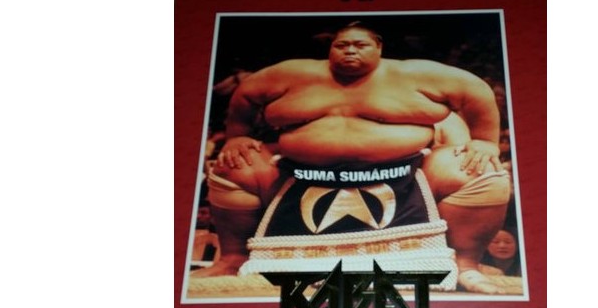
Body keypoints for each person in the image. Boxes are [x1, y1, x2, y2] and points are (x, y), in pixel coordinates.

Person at [193, 22, 511, 293]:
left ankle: (466, 264)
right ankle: (232, 259)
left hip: (406, 173)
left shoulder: (417, 74)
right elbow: (246, 95)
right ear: (330, 48)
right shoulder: (290, 74)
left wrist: (485, 142)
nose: (349, 51)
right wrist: (237, 136)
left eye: (360, 45)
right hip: (296, 175)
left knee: (479, 170)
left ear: (379, 47)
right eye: (341, 45)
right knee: (235, 166)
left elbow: (476, 92)